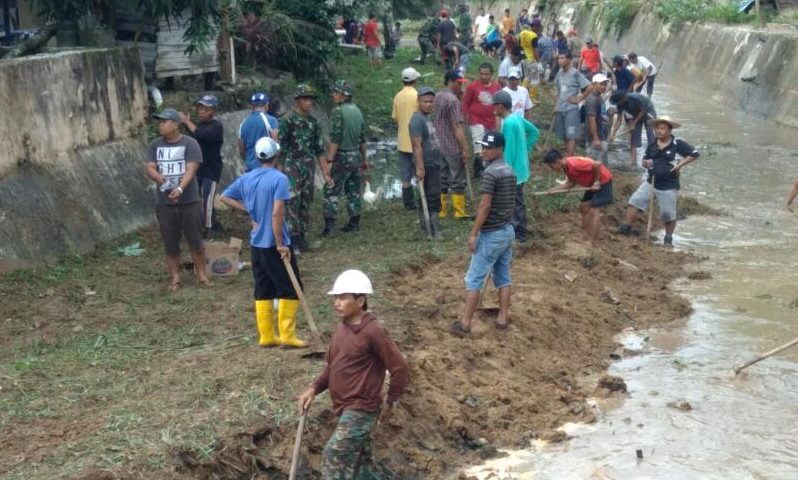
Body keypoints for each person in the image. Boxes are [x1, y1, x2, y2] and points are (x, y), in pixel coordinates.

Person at [296, 269, 409, 478]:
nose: (336, 303)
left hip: (362, 408)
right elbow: (333, 366)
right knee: (361, 465)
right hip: (344, 407)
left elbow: (399, 368)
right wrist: (314, 388)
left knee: (334, 453)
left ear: (361, 300)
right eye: (336, 298)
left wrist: (392, 402)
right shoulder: (341, 328)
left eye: (343, 298)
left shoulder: (373, 331)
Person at [220, 137, 307, 348]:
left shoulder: (247, 178)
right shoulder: (279, 179)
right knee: (290, 288)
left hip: (257, 246)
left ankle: (266, 336)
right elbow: (277, 213)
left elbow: (224, 197)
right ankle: (287, 336)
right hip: (273, 245)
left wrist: (249, 210)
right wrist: (280, 243)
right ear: (276, 155)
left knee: (263, 288)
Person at [450, 131, 517, 336]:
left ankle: (465, 323)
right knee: (503, 277)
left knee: (474, 279)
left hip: (492, 234)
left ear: (500, 149)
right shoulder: (509, 170)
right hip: (507, 231)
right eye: (483, 147)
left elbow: (485, 206)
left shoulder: (490, 173)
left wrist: (473, 233)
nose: (484, 151)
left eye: (488, 148)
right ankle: (502, 318)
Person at [145, 108, 210, 291]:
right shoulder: (154, 145)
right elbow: (150, 167)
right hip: (164, 202)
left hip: (189, 200)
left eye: (164, 122)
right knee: (170, 240)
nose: (160, 125)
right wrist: (159, 178)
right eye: (160, 122)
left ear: (175, 124)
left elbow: (191, 169)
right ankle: (175, 277)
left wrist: (180, 188)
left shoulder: (191, 144)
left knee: (195, 239)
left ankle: (201, 274)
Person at [617, 116, 699, 247]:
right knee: (634, 202)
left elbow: (694, 154)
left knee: (668, 213)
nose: (659, 131)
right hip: (651, 182)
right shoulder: (653, 144)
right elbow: (645, 159)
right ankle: (626, 227)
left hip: (668, 185)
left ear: (669, 131)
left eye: (662, 129)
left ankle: (668, 239)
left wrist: (680, 165)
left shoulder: (677, 144)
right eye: (657, 128)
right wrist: (645, 163)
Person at [278, 85, 326, 252]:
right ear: (297, 100)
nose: (308, 102)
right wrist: (279, 171)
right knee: (292, 202)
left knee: (306, 201)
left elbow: (319, 149)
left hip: (308, 167)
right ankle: (292, 240)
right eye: (305, 99)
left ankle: (302, 238)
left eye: (310, 99)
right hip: (292, 167)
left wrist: (325, 173)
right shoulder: (287, 120)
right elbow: (281, 148)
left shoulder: (313, 123)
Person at [321, 80, 367, 237]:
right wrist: (364, 159)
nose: (333, 94)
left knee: (331, 190)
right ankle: (354, 223)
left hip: (342, 155)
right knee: (354, 190)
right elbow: (362, 139)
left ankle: (329, 227)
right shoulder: (357, 111)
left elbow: (335, 138)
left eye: (336, 92)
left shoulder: (338, 111)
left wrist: (329, 161)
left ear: (344, 95)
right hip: (355, 155)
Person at [492, 90, 539, 243]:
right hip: (521, 168)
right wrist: (525, 149)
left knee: (515, 203)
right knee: (517, 202)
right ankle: (519, 232)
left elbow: (508, 150)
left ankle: (519, 235)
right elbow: (534, 132)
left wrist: (505, 172)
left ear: (500, 106)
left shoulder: (509, 123)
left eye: (495, 106)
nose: (494, 110)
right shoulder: (517, 118)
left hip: (514, 172)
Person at [543, 149, 614, 246]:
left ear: (557, 162)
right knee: (583, 206)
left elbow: (597, 164)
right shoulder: (566, 168)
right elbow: (571, 182)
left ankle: (591, 241)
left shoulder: (574, 164)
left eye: (551, 166)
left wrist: (596, 183)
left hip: (603, 181)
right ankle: (586, 234)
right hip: (591, 184)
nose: (552, 169)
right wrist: (556, 189)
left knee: (594, 210)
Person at [180, 94, 224, 236]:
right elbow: (194, 137)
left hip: (211, 168)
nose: (202, 112)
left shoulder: (216, 126)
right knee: (200, 197)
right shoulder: (200, 125)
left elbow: (201, 135)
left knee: (207, 197)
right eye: (200, 108)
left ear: (213, 111)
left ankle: (208, 229)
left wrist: (187, 122)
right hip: (199, 168)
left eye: (206, 109)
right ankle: (210, 223)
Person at [435, 69, 472, 219]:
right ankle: (459, 211)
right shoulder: (453, 101)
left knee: (441, 177)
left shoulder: (437, 96)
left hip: (438, 144)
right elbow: (457, 127)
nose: (460, 86)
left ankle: (441, 210)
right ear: (451, 82)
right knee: (457, 178)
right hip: (451, 145)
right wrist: (464, 148)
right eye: (458, 83)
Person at [410, 87, 444, 239]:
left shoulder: (427, 118)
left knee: (434, 193)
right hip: (426, 164)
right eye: (425, 102)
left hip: (434, 162)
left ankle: (429, 225)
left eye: (431, 102)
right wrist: (420, 167)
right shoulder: (416, 120)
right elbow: (416, 146)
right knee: (431, 195)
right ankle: (432, 229)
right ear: (418, 101)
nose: (429, 105)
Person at [463, 63, 502, 179]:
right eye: (482, 74)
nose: (484, 76)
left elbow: (499, 105)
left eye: (486, 74)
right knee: (479, 146)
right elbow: (465, 103)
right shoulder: (473, 86)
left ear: (491, 75)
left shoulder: (496, 87)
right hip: (476, 121)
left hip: (491, 121)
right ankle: (482, 169)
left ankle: (481, 167)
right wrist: (463, 119)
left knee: (489, 146)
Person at [392, 67, 421, 210]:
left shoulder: (398, 96)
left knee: (405, 173)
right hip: (417, 142)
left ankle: (408, 202)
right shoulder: (417, 96)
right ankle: (421, 197)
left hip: (403, 141)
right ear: (415, 80)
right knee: (420, 170)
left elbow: (395, 119)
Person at [553, 52, 592, 156]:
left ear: (569, 60)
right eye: (559, 58)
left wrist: (579, 99)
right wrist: (556, 105)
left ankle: (570, 159)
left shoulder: (575, 73)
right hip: (560, 109)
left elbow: (589, 87)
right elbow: (558, 90)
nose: (559, 60)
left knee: (571, 135)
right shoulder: (560, 72)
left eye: (562, 58)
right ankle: (569, 157)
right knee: (565, 135)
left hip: (571, 110)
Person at [609, 90, 657, 165]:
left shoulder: (634, 98)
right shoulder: (620, 104)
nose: (618, 104)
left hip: (648, 111)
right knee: (634, 136)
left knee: (650, 133)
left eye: (619, 102)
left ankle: (653, 157)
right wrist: (613, 134)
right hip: (635, 114)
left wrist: (634, 123)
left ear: (623, 98)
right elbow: (619, 119)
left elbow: (643, 111)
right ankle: (633, 161)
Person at [239, 92, 279, 172]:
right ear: (266, 105)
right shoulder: (271, 120)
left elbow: (241, 150)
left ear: (252, 106)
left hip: (250, 170)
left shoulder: (243, 124)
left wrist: (249, 161)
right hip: (267, 169)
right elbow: (276, 145)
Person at [584, 73, 610, 164]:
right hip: (595, 136)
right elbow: (591, 119)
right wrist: (595, 138)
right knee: (594, 162)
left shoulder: (598, 96)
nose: (603, 87)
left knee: (600, 160)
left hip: (600, 132)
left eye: (605, 85)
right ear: (594, 84)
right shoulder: (592, 99)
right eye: (601, 84)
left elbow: (597, 116)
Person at [518, 22, 540, 102]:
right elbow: (535, 50)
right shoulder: (534, 36)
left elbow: (520, 47)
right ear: (533, 27)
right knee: (535, 79)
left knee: (527, 78)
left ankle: (521, 94)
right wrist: (539, 61)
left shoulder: (522, 33)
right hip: (531, 60)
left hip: (524, 59)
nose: (538, 29)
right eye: (538, 27)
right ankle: (532, 97)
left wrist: (522, 57)